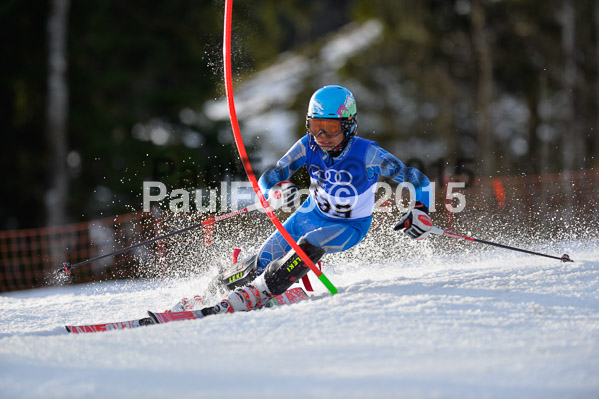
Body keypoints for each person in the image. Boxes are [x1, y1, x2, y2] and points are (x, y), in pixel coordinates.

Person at [190, 85, 434, 316]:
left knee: (309, 245)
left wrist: (420, 208)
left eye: (331, 128)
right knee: (260, 262)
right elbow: (271, 176)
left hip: (347, 227)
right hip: (306, 216)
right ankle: (214, 289)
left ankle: (260, 292)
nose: (322, 136)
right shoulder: (307, 146)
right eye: (316, 126)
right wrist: (273, 191)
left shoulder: (369, 154)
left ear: (350, 127)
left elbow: (419, 181)